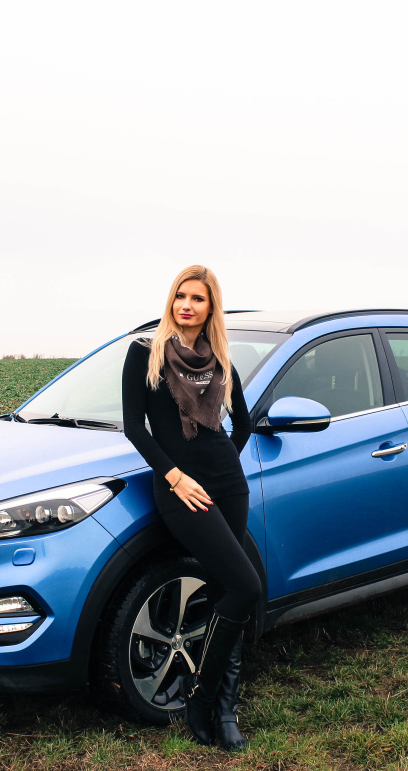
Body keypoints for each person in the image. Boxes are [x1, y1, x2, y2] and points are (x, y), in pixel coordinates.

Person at [121, 265, 260, 752]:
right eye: (181, 295)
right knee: (247, 586)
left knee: (229, 593)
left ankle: (224, 710)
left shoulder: (220, 360)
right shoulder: (145, 353)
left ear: (210, 307)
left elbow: (242, 423)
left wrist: (224, 464)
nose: (187, 305)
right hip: (182, 490)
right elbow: (135, 428)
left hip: (228, 485)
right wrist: (176, 476)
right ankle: (201, 700)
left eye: (198, 298)